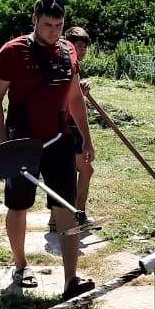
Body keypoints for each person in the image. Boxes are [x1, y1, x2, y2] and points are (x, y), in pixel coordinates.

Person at [0, 0, 94, 299]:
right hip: (22, 143)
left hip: (59, 140)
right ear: (35, 20)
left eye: (59, 25)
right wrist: (2, 144)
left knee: (66, 207)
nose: (54, 31)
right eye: (47, 25)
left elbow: (74, 98)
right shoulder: (12, 52)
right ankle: (21, 265)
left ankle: (71, 281)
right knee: (19, 205)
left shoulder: (68, 50)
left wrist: (85, 138)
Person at [45, 26, 94, 254]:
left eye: (84, 44)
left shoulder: (73, 63)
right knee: (74, 170)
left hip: (72, 124)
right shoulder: (59, 59)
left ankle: (72, 213)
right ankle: (67, 215)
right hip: (62, 125)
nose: (81, 48)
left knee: (83, 169)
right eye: (77, 44)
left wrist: (80, 90)